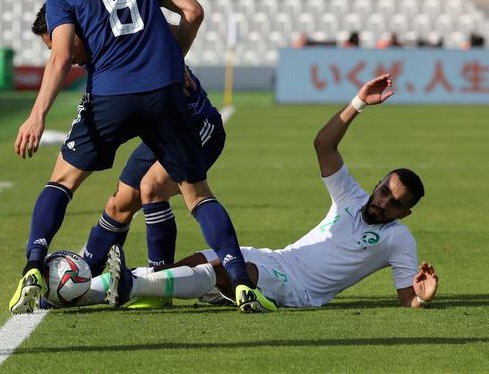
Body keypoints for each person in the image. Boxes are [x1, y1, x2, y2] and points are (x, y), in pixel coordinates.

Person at [8, 0, 273, 315]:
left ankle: (32, 268)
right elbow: (194, 10)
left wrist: (37, 114)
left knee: (61, 182)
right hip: (164, 95)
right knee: (197, 195)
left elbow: (60, 56)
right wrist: (172, 58)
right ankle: (241, 284)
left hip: (112, 94)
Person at [93, 74, 438, 311]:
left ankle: (129, 287)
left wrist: (422, 299)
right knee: (199, 261)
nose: (382, 203)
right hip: (278, 259)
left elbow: (407, 297)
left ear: (403, 214)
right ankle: (83, 292)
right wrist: (358, 102)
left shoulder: (398, 238)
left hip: (298, 289)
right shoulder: (351, 196)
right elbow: (323, 145)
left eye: (394, 204)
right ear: (377, 184)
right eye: (383, 191)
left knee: (224, 271)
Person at [31, 5, 226, 280]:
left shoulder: (120, 38)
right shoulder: (99, 53)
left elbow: (182, 22)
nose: (62, 55)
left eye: (59, 45)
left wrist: (174, 59)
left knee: (152, 188)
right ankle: (84, 279)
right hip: (158, 133)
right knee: (118, 206)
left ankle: (161, 282)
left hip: (197, 126)